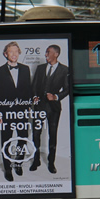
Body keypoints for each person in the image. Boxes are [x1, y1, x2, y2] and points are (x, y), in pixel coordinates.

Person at [0, 41, 32, 182]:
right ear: (5, 54)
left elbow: (28, 89)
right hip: (5, 112)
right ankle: (7, 169)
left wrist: (29, 106)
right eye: (10, 52)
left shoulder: (26, 69)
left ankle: (18, 163)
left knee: (23, 138)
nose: (14, 54)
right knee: (6, 141)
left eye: (16, 51)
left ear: (19, 53)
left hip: (22, 112)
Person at [30, 44, 69, 174]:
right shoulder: (40, 68)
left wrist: (56, 96)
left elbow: (68, 89)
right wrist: (35, 96)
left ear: (56, 54)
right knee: (36, 134)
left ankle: (51, 162)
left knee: (53, 135)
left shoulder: (65, 70)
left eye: (48, 52)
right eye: (46, 52)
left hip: (54, 108)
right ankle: (36, 160)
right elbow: (34, 85)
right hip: (39, 106)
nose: (46, 54)